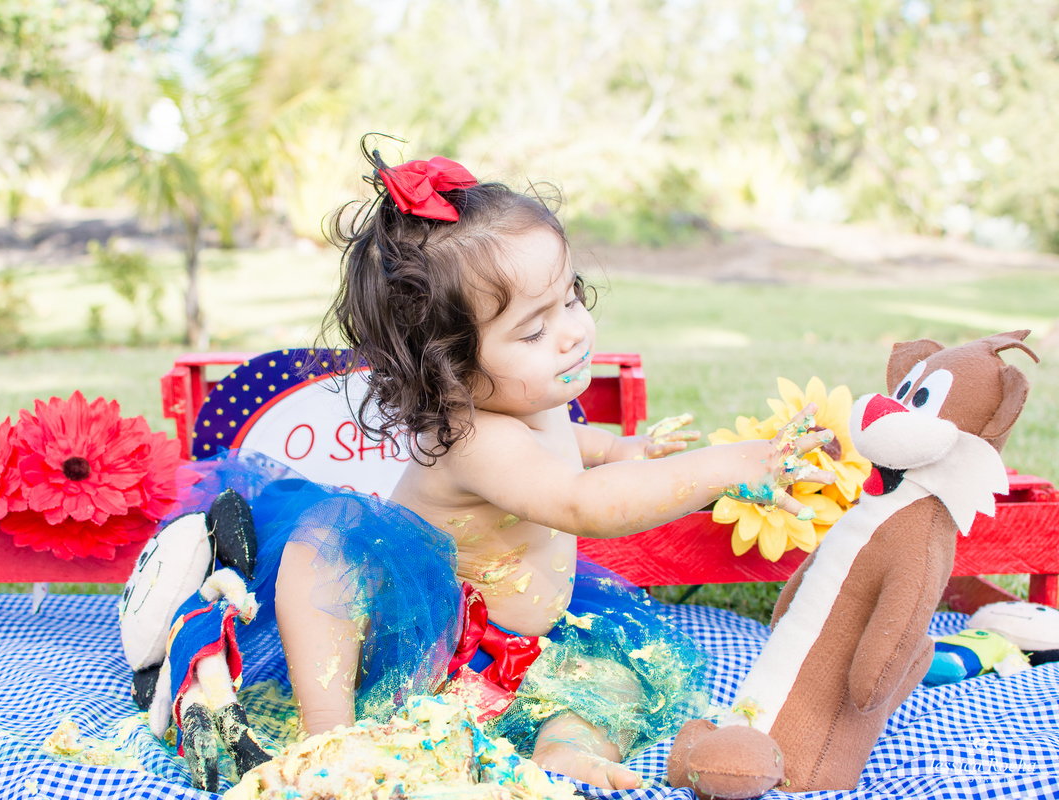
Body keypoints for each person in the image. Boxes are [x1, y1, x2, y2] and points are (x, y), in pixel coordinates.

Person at [154, 141, 836, 792]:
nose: (572, 330)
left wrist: (618, 449)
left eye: (570, 298)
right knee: (324, 549)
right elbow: (581, 504)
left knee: (615, 672)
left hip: (525, 650)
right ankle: (330, 740)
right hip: (431, 654)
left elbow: (569, 445)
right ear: (446, 370)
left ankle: (567, 747)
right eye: (534, 330)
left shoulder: (525, 400)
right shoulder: (473, 436)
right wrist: (732, 464)